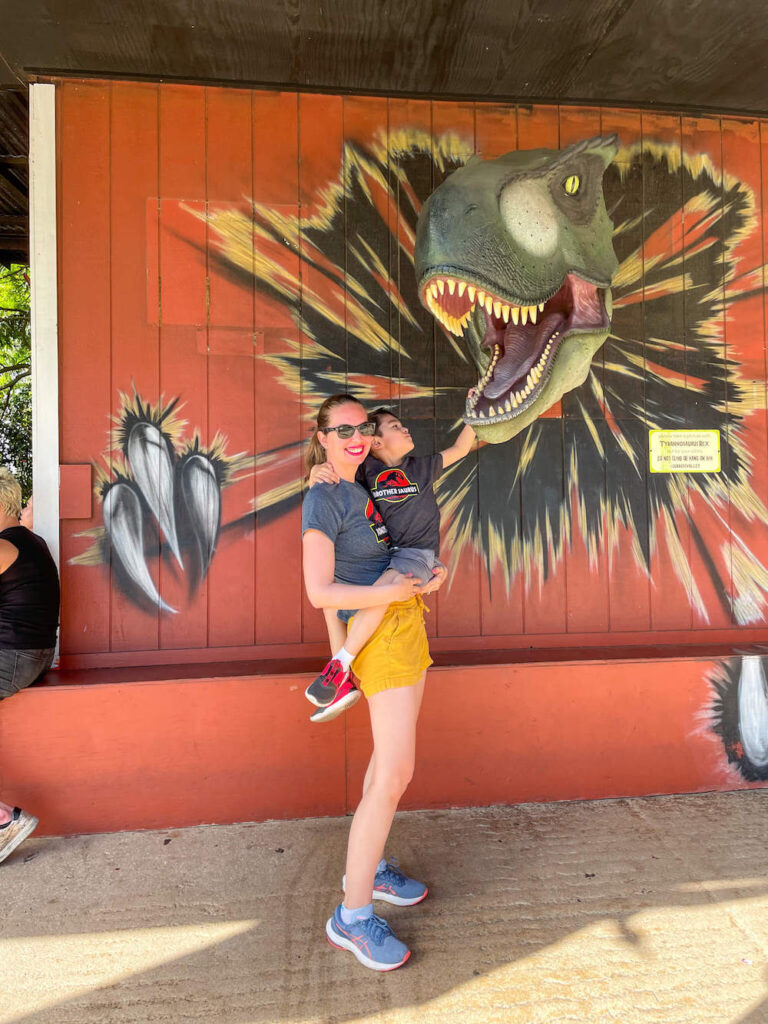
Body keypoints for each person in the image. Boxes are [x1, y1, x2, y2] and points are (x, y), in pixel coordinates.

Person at [302, 393, 445, 971]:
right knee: (396, 772)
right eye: (342, 431)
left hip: (405, 623)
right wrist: (344, 647)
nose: (356, 436)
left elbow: (400, 552)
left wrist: (426, 579)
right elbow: (321, 593)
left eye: (362, 428)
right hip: (380, 638)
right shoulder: (322, 499)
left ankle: (373, 863)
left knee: (387, 762)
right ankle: (352, 917)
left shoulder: (361, 483)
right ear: (322, 437)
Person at [305, 409, 475, 722]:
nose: (406, 428)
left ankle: (342, 661)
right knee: (338, 598)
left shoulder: (420, 467)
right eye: (396, 426)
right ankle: (342, 680)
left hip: (416, 554)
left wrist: (476, 414)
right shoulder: (366, 470)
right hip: (389, 555)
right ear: (377, 442)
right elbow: (336, 475)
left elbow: (461, 449)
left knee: (388, 585)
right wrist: (317, 470)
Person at [0, 473, 60, 864]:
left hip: (13, 655)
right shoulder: (30, 541)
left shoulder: (3, 546)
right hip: (28, 653)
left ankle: (3, 821)